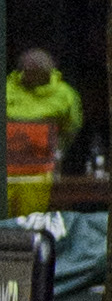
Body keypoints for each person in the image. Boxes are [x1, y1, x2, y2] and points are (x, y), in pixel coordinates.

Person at [4, 41, 79, 215]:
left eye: (37, 72)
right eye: (28, 71)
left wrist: (58, 151)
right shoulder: (7, 89)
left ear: (47, 72)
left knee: (34, 219)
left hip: (42, 171)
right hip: (7, 168)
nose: (32, 76)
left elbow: (71, 128)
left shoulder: (64, 94)